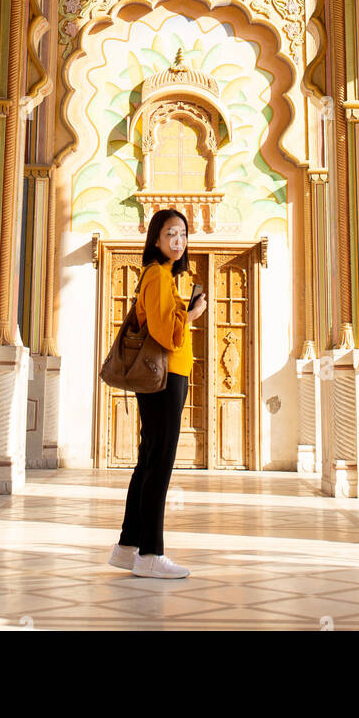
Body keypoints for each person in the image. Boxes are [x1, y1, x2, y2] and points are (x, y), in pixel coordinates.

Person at [108, 207, 206, 579]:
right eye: (170, 234)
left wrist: (183, 308)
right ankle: (150, 554)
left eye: (182, 234)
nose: (177, 241)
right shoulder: (157, 276)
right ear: (155, 238)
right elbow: (168, 333)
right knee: (159, 463)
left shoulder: (161, 276)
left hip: (165, 375)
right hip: (165, 376)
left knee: (149, 460)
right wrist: (192, 314)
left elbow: (163, 320)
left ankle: (127, 547)